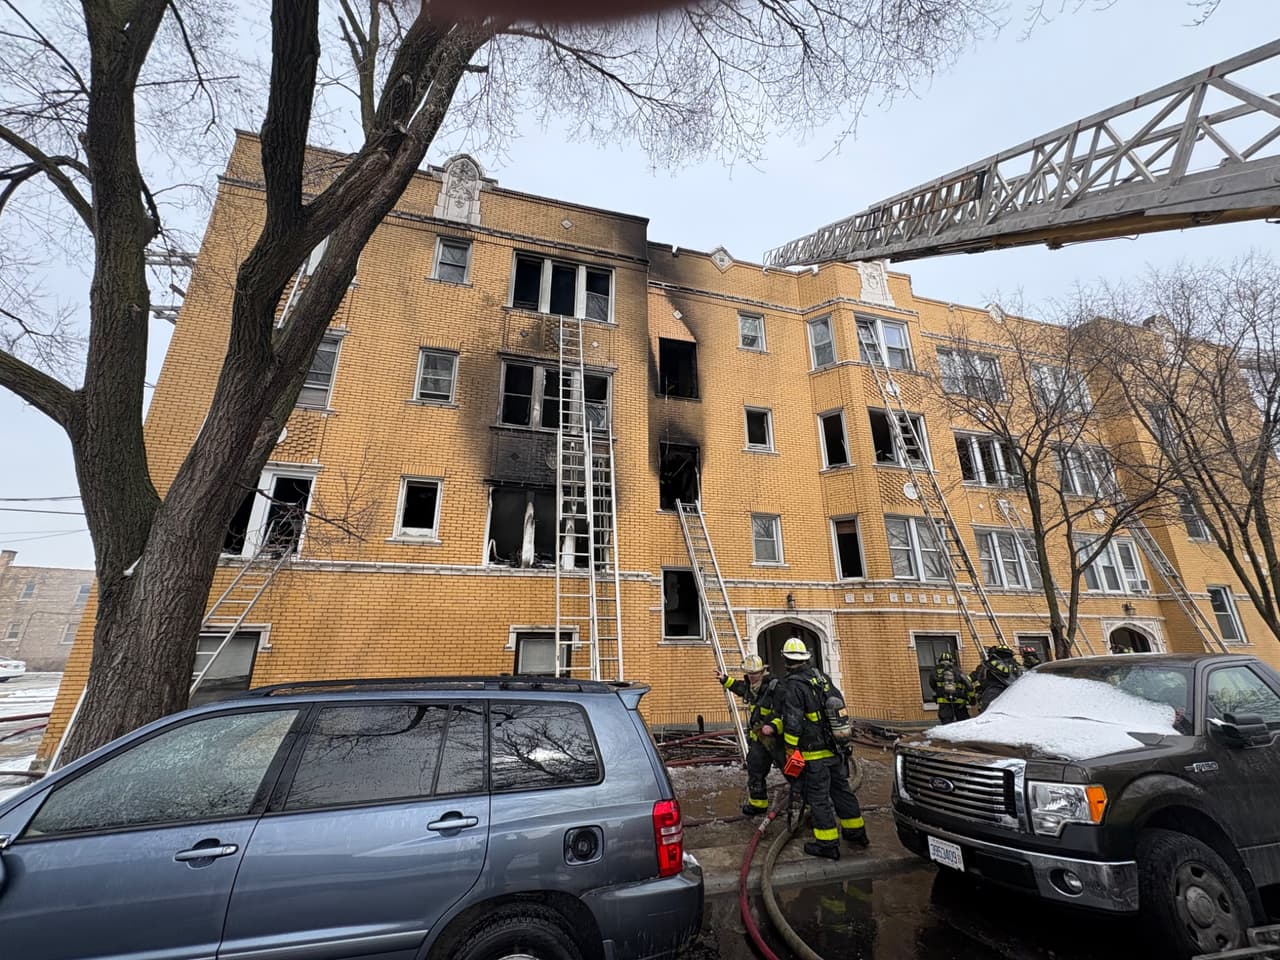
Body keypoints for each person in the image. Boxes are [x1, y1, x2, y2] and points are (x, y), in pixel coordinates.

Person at [778, 637, 867, 860]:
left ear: (786, 659)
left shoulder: (794, 685)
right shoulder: (822, 678)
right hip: (834, 750)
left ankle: (827, 844)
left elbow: (793, 722)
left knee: (818, 798)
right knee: (842, 792)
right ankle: (856, 833)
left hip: (812, 753)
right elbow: (838, 703)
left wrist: (790, 750)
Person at [717, 654, 786, 815]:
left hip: (776, 739)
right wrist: (725, 679)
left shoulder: (775, 688)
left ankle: (810, 800)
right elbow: (741, 688)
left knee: (789, 769)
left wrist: (773, 726)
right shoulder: (752, 687)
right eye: (748, 673)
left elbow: (786, 712)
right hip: (759, 739)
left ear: (762, 672)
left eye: (754, 674)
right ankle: (758, 804)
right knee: (755, 769)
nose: (751, 677)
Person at [970, 643, 1022, 712]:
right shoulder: (1016, 665)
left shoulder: (989, 664)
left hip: (993, 693)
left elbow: (978, 677)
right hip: (1014, 693)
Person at [928, 650, 972, 724]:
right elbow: (967, 683)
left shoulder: (934, 671)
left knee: (946, 722)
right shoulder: (957, 670)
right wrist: (970, 698)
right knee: (963, 722)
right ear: (951, 660)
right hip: (959, 701)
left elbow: (932, 684)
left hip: (943, 701)